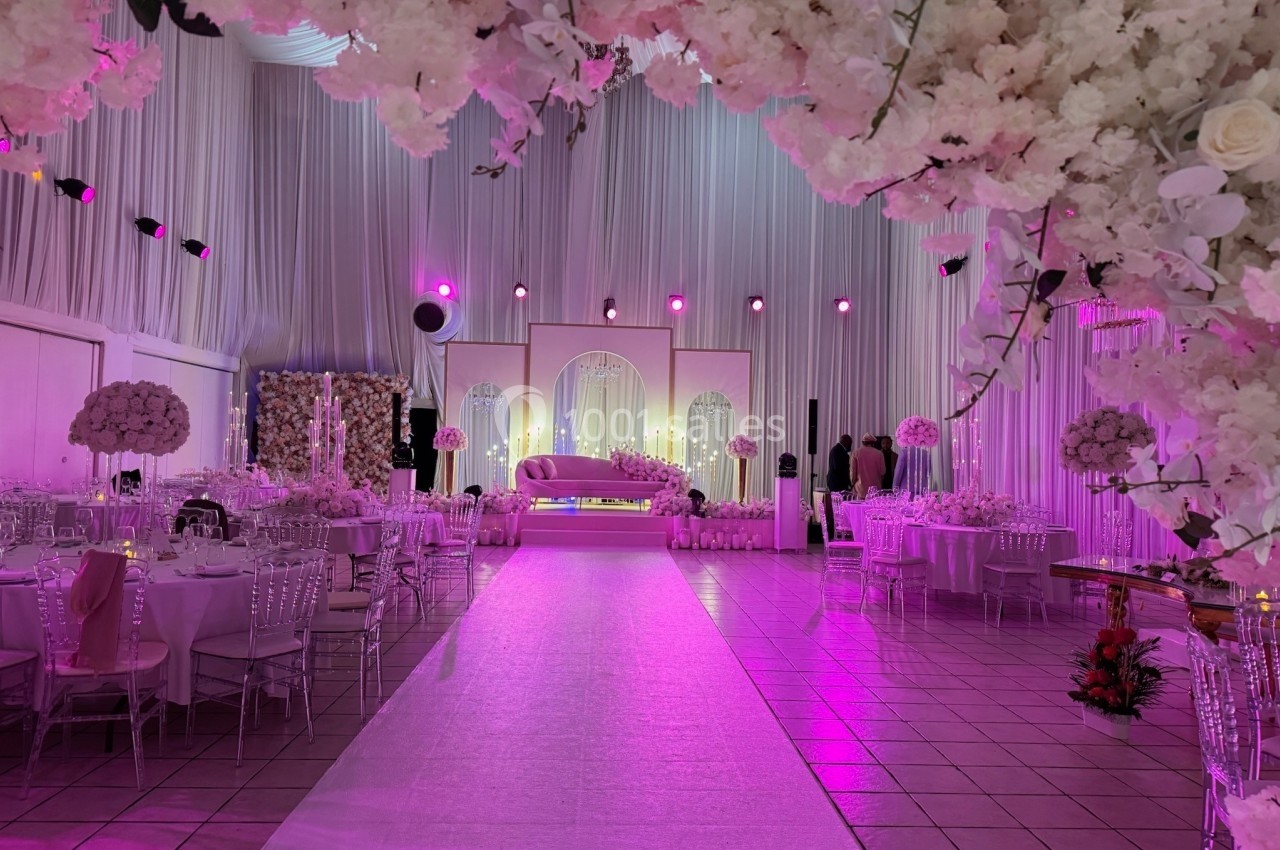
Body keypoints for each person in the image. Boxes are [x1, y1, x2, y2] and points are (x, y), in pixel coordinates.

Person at [851, 432, 886, 499]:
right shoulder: (879, 453)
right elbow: (883, 471)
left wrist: (852, 484)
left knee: (860, 508)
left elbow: (853, 473)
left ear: (863, 442)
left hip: (860, 490)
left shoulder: (856, 453)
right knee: (873, 509)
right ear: (873, 443)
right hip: (875, 489)